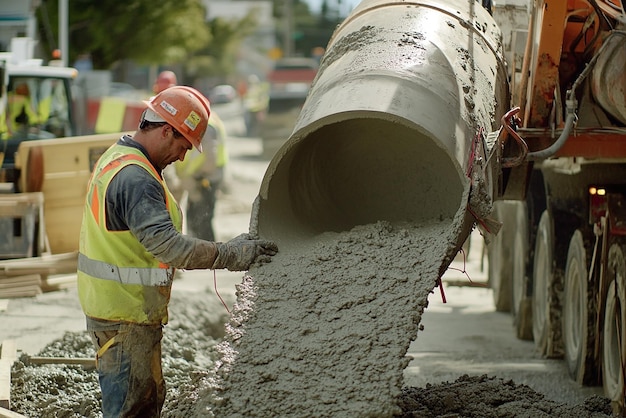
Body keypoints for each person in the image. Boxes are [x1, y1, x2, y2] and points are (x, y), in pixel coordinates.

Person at [76, 85, 278, 417]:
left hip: (119, 309)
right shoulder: (136, 180)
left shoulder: (119, 157)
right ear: (166, 130)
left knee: (145, 401)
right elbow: (170, 248)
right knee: (133, 410)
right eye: (183, 146)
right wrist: (230, 254)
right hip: (127, 314)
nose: (183, 157)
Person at [154, 70, 227, 241]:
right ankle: (199, 250)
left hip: (206, 177)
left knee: (202, 218)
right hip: (195, 177)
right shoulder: (181, 116)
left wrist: (194, 183)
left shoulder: (202, 121)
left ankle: (209, 255)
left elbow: (210, 156)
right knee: (194, 216)